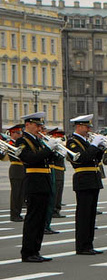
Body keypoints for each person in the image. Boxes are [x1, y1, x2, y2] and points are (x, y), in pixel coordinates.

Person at [16, 112, 56, 262]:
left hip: (43, 183)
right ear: (28, 125)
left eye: (40, 126)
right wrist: (47, 149)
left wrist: (53, 148)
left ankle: (36, 250)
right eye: (37, 125)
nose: (40, 128)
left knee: (41, 220)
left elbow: (48, 159)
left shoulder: (38, 141)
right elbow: (29, 159)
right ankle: (28, 252)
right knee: (33, 219)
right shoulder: (22, 141)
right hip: (33, 183)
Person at [67, 114, 106, 255]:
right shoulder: (73, 142)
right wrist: (94, 145)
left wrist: (100, 148)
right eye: (86, 126)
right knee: (83, 215)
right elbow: (82, 158)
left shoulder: (86, 141)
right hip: (83, 179)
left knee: (90, 215)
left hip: (93, 179)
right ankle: (82, 246)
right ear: (79, 126)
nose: (89, 129)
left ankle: (89, 244)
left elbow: (95, 158)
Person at [4, 124, 25, 221]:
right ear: (12, 133)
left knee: (21, 193)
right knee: (16, 193)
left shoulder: (19, 144)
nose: (20, 134)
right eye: (18, 133)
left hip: (22, 169)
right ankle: (14, 214)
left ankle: (18, 213)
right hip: (16, 169)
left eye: (20, 132)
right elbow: (10, 157)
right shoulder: (10, 144)